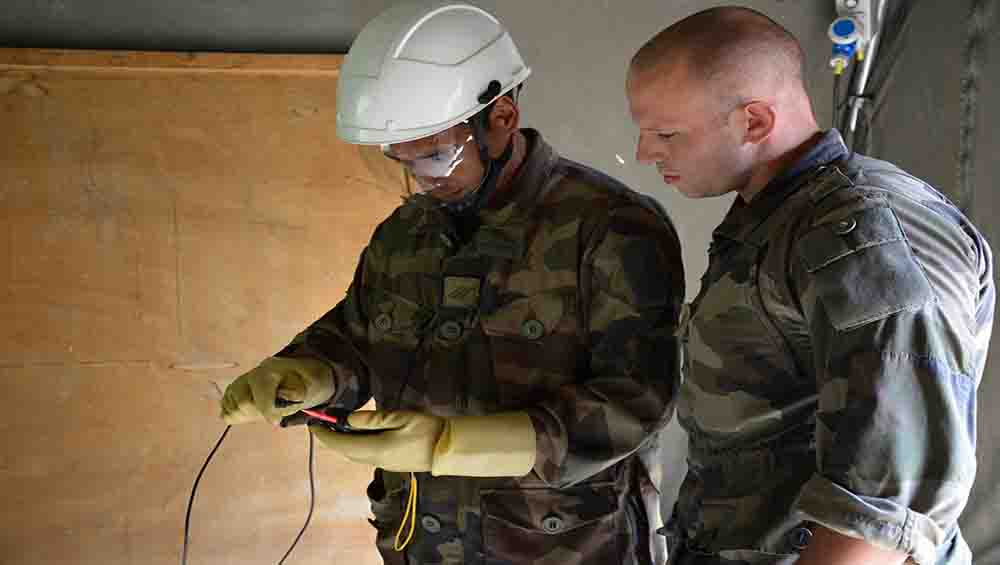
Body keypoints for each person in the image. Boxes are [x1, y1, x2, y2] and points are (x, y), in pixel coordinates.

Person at [220, 2, 685, 564]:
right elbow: (361, 337)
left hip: (559, 546)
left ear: (502, 118)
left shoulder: (610, 227)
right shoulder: (405, 232)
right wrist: (308, 371)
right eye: (401, 159)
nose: (421, 178)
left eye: (437, 155)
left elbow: (636, 399)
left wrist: (455, 443)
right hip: (423, 542)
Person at [626, 6, 994, 565]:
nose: (645, 152)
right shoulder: (778, 219)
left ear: (753, 122)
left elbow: (882, 512)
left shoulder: (864, 238)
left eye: (665, 133)